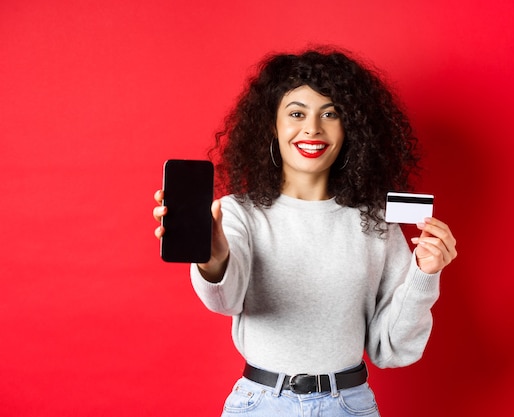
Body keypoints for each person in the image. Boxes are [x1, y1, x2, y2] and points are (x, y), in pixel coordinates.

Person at [153, 46, 457, 416]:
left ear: (351, 128)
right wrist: (215, 259)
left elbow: (391, 349)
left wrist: (425, 275)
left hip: (348, 405)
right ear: (273, 125)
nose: (313, 128)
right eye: (296, 113)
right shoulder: (239, 213)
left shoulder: (376, 221)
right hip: (260, 405)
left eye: (330, 114)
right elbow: (224, 301)